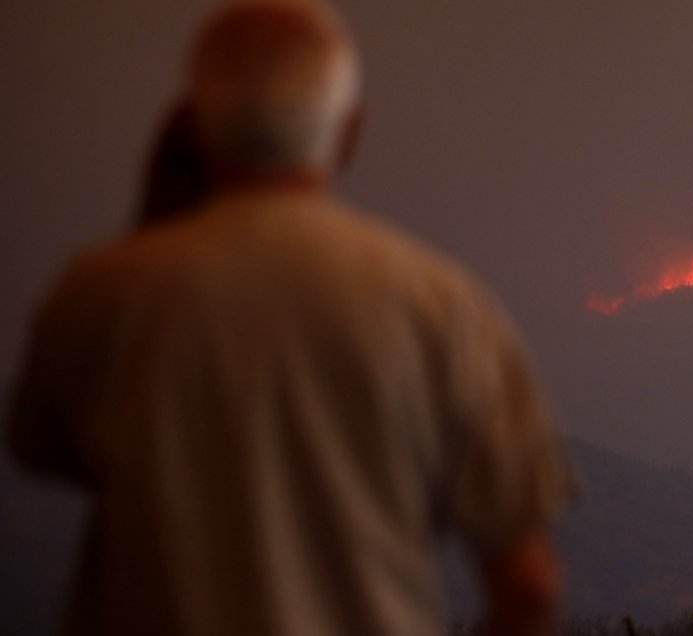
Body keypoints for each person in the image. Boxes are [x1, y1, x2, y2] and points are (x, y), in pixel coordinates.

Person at [6, 1, 575, 634]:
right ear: (350, 132)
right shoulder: (443, 307)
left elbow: (40, 445)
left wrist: (150, 226)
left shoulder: (99, 296)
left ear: (191, 128)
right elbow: (530, 585)